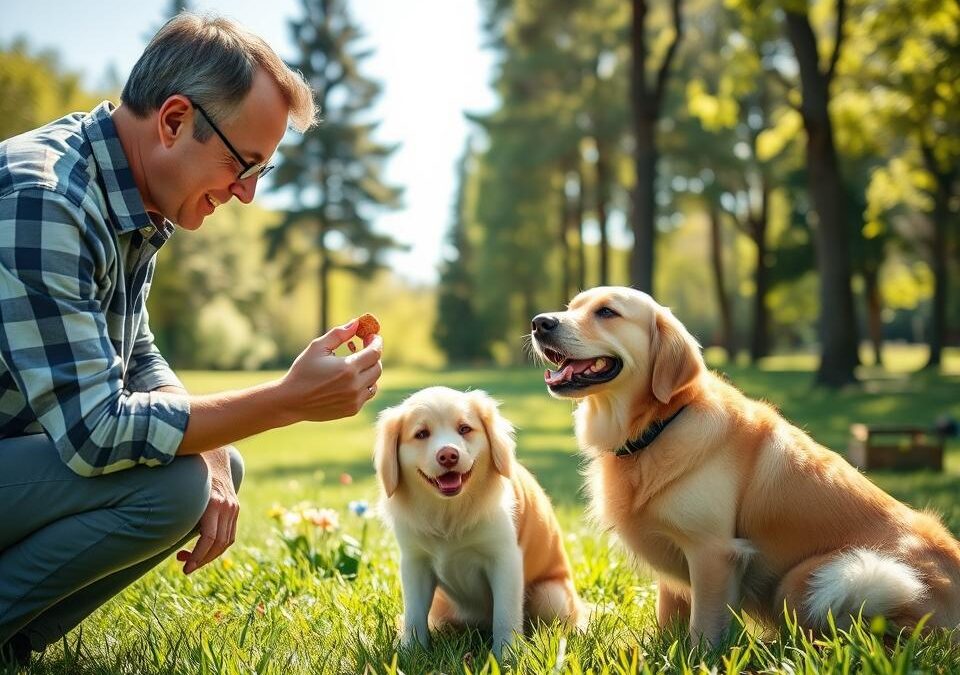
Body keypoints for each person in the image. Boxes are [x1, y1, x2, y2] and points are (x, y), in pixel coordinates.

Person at [0, 13, 383, 665]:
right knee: (174, 485)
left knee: (214, 467)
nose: (247, 193)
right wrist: (286, 400)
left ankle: (15, 639)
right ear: (175, 120)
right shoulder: (47, 199)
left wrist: (213, 449)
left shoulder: (129, 199)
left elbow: (136, 353)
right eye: (244, 163)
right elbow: (97, 429)